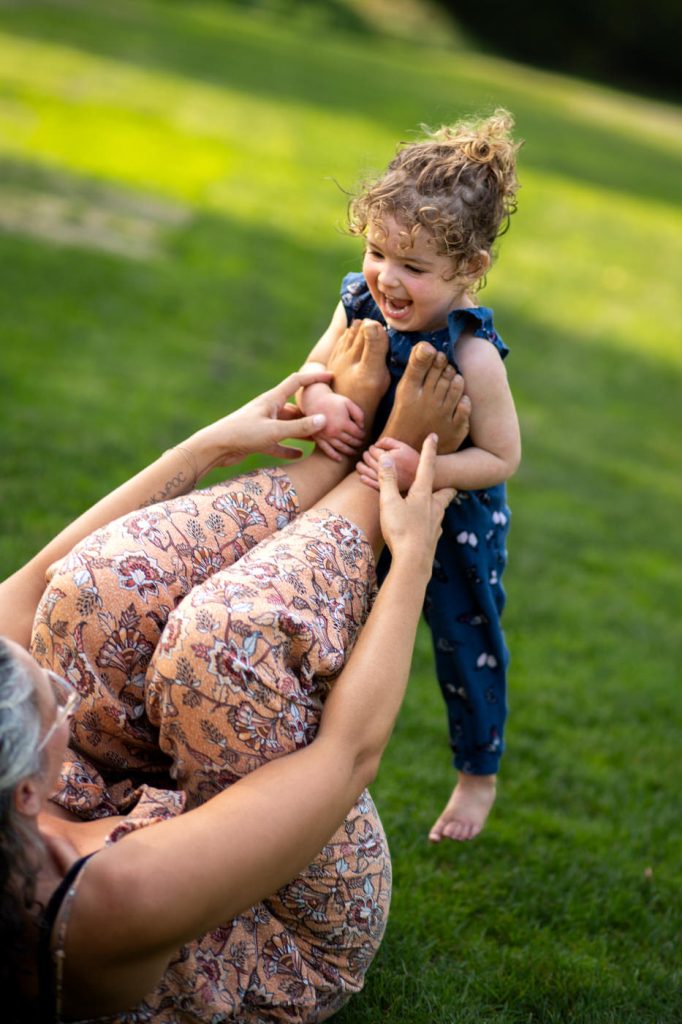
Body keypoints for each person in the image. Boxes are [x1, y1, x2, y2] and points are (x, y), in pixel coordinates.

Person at [1, 328, 470, 1022]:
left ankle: (339, 460)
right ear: (25, 794)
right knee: (224, 646)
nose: (64, 701)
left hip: (118, 798)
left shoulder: (13, 801)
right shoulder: (101, 905)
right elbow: (348, 757)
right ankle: (376, 483)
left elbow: (38, 583)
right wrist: (411, 553)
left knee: (90, 591)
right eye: (55, 706)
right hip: (286, 922)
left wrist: (211, 445)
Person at [298, 109, 523, 843]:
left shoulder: (473, 353)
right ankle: (307, 752)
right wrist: (325, 396)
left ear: (470, 271)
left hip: (454, 523)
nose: (386, 279)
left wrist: (420, 464)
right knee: (338, 623)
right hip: (361, 495)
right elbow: (313, 367)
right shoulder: (358, 299)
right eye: (376, 251)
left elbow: (500, 458)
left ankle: (477, 772)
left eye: (414, 268)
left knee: (467, 643)